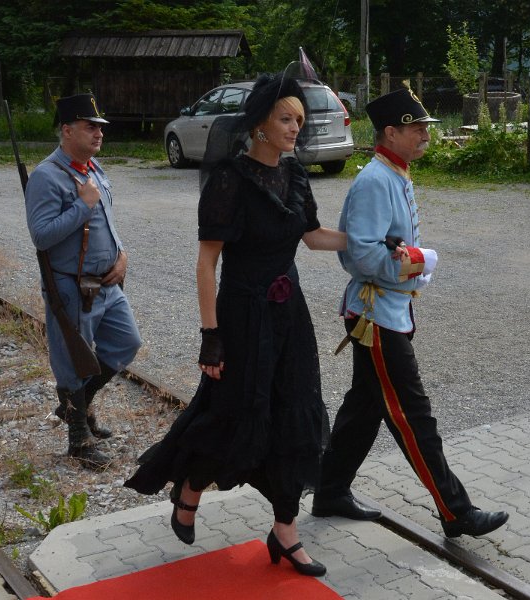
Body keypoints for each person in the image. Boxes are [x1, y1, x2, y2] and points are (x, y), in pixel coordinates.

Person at [125, 72, 348, 577]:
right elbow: (207, 263)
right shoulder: (229, 178)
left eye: (300, 120)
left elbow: (313, 238)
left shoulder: (294, 176)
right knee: (233, 413)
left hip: (290, 315)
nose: (296, 128)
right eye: (286, 119)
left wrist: (365, 242)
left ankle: (285, 531)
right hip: (243, 315)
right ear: (260, 125)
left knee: (296, 410)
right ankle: (190, 487)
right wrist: (211, 336)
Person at [311, 88, 510, 539]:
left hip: (387, 310)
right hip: (375, 315)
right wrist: (415, 264)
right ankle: (455, 510)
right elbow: (360, 254)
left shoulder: (393, 173)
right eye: (417, 128)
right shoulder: (375, 181)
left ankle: (329, 489)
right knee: (411, 413)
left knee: (365, 406)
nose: (425, 134)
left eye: (425, 128)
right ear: (390, 132)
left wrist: (409, 263)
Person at [25, 93, 142, 470]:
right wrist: (82, 205)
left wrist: (121, 254)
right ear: (67, 130)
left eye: (100, 127)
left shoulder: (93, 169)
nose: (98, 133)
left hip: (107, 284)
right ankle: (78, 439)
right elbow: (42, 236)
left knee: (125, 343)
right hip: (72, 288)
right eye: (90, 127)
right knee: (72, 362)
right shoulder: (46, 176)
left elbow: (108, 221)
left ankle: (78, 405)